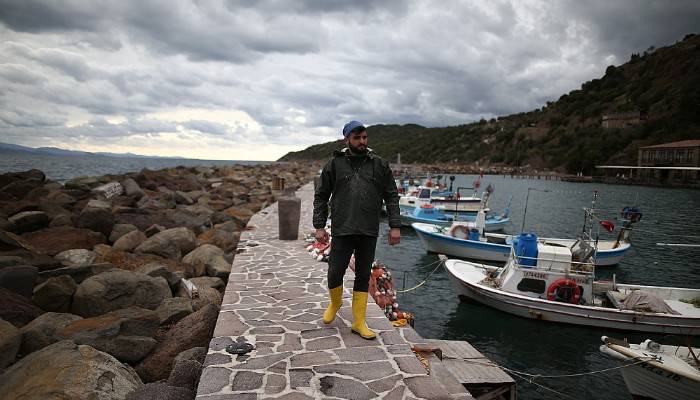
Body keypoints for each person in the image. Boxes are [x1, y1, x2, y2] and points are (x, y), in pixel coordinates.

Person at [313, 120, 401, 339]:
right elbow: (321, 195)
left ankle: (359, 321)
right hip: (343, 228)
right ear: (347, 139)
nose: (362, 142)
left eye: (364, 137)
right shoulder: (335, 163)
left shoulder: (379, 164)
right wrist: (319, 226)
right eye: (357, 138)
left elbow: (391, 195)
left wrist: (395, 226)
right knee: (335, 273)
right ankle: (335, 303)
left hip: (368, 230)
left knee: (363, 276)